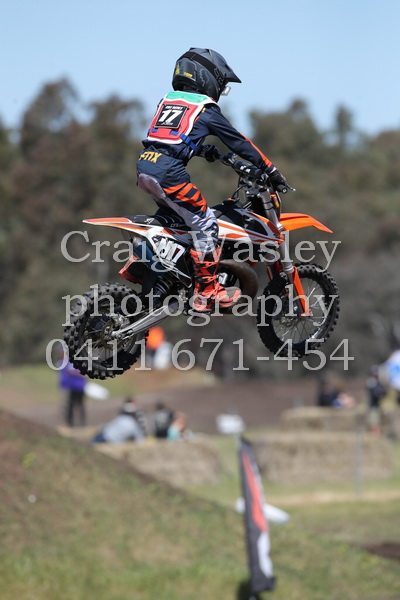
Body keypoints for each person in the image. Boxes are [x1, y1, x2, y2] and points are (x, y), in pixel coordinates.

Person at [136, 48, 288, 312]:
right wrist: (271, 169)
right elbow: (239, 142)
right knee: (206, 223)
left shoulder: (169, 101)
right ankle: (207, 291)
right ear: (208, 78)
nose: (221, 91)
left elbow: (169, 138)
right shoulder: (205, 108)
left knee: (176, 223)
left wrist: (205, 150)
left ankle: (162, 273)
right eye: (222, 86)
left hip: (145, 166)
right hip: (169, 173)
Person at [59, 360, 87, 427]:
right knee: (71, 405)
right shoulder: (70, 363)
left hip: (80, 387)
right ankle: (70, 422)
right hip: (72, 387)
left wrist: (75, 372)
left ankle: (82, 422)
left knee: (80, 405)